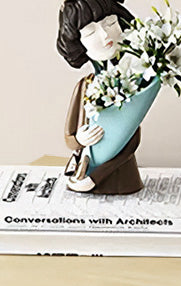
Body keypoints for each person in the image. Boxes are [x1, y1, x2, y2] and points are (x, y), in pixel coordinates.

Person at [57, 0, 143, 194]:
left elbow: (130, 140)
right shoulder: (85, 85)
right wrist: (79, 139)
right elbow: (69, 135)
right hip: (83, 171)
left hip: (122, 179)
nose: (105, 35)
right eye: (89, 33)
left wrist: (95, 178)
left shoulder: (131, 82)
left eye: (111, 23)